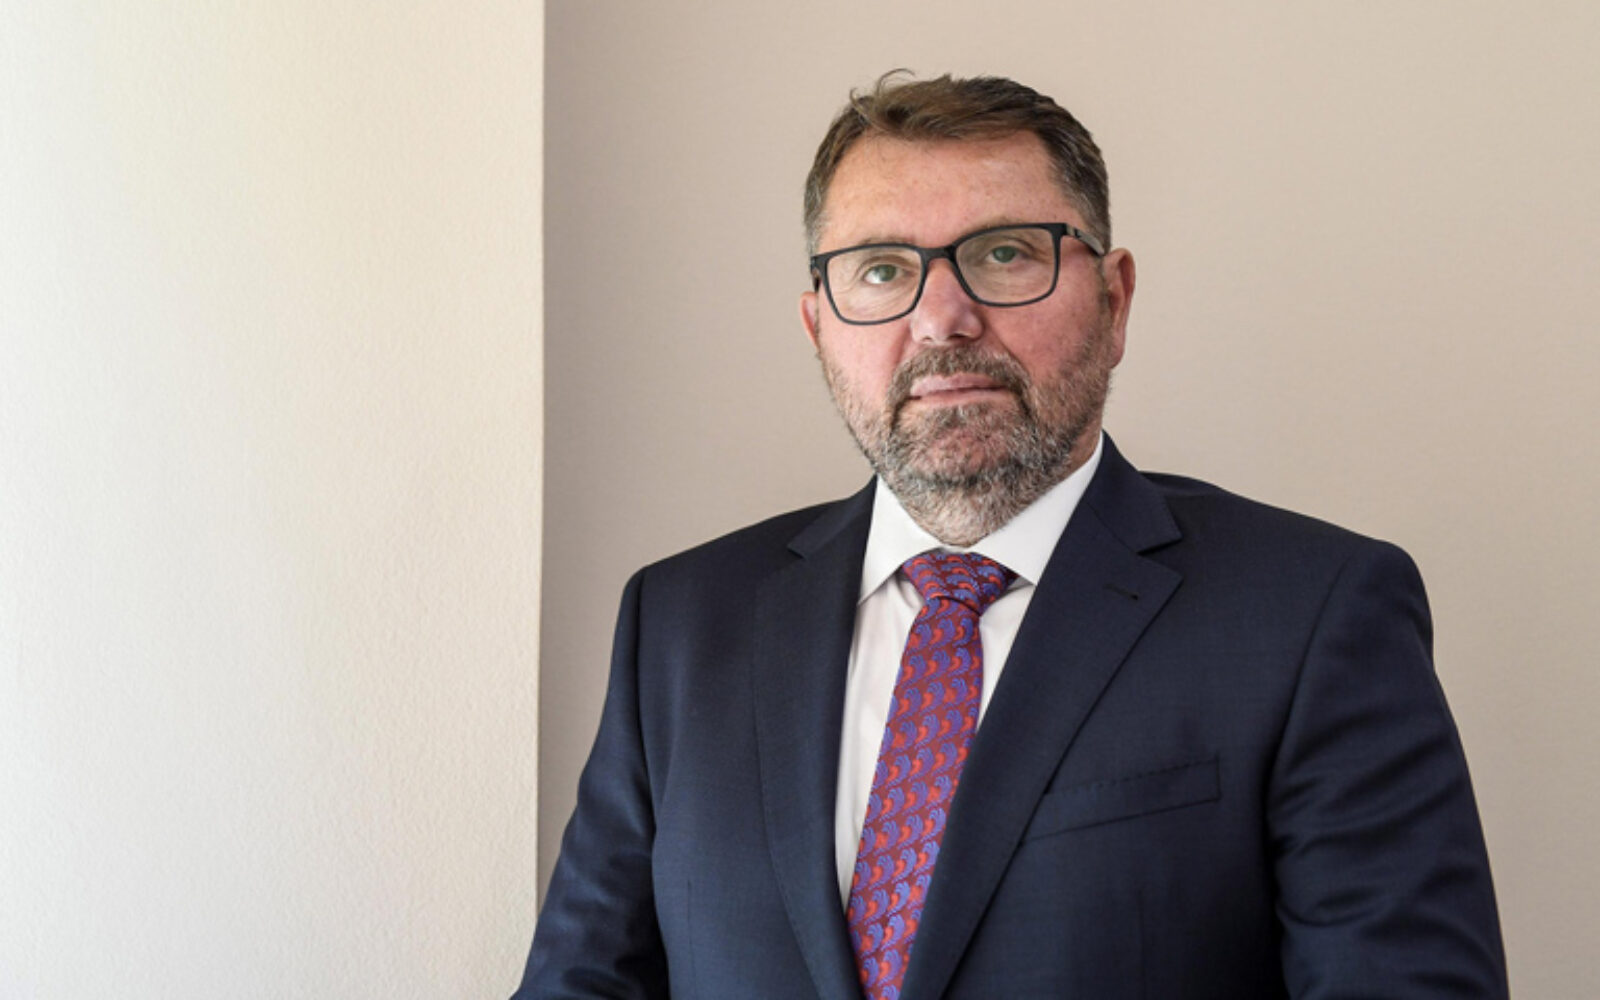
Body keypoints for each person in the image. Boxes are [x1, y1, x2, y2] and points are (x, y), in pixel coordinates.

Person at [513, 72, 1506, 999]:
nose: (942, 319)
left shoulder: (1309, 614)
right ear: (819, 328)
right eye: (881, 269)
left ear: (1114, 300)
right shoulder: (682, 624)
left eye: (1003, 254)